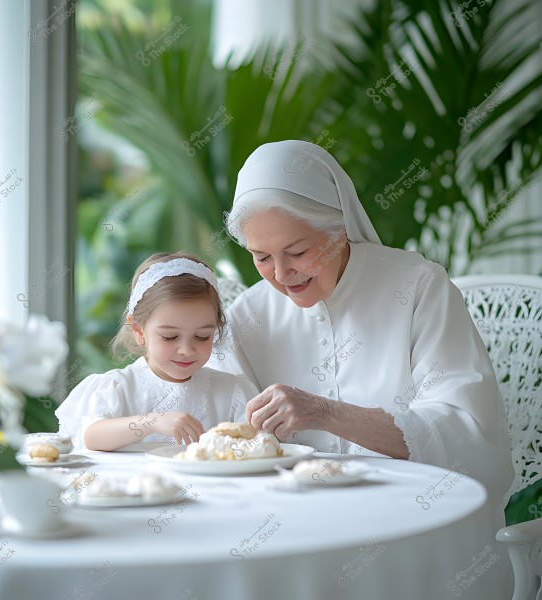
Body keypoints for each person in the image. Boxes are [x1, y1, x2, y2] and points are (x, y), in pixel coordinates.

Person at [215, 140, 515, 528]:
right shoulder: (248, 316)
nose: (282, 274)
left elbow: (468, 435)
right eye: (262, 257)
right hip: (291, 527)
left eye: (298, 251)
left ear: (339, 229)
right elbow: (218, 435)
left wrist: (325, 413)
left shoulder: (418, 287)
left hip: (417, 522)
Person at [56, 252, 257, 451]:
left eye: (202, 336)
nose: (186, 350)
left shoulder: (231, 392)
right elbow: (91, 436)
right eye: (170, 337)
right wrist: (151, 422)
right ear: (138, 330)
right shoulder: (119, 387)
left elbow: (253, 447)